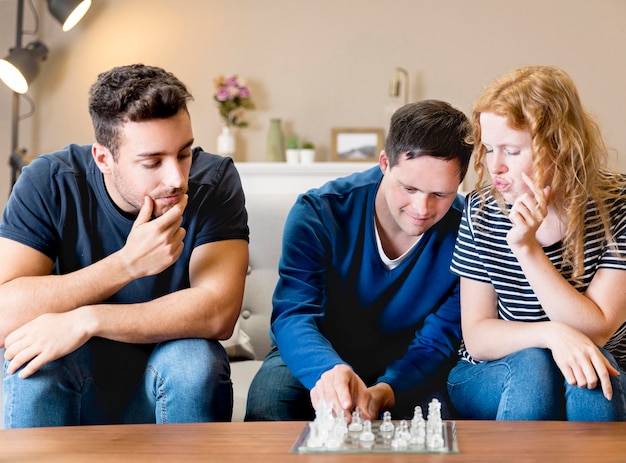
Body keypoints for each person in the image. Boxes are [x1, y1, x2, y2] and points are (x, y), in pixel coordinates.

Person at [0, 64, 250, 428]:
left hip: (165, 376)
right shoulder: (50, 181)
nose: (177, 178)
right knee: (33, 359)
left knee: (195, 360)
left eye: (184, 153)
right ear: (103, 158)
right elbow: (6, 313)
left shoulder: (214, 180)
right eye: (152, 162)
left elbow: (218, 311)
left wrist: (90, 319)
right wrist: (126, 264)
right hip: (74, 375)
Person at [245, 100, 473, 422]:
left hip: (408, 367)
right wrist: (330, 370)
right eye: (408, 188)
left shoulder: (469, 232)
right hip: (316, 354)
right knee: (269, 403)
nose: (422, 208)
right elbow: (294, 316)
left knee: (443, 421)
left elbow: (438, 341)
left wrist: (385, 391)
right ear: (384, 163)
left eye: (441, 194)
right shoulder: (318, 213)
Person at [447, 65, 626, 421]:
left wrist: (528, 250)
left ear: (557, 147)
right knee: (534, 364)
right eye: (488, 149)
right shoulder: (481, 210)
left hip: (604, 362)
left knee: (592, 366)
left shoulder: (618, 205)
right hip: (496, 371)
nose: (493, 166)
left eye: (511, 151)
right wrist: (552, 334)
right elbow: (479, 337)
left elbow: (598, 330)